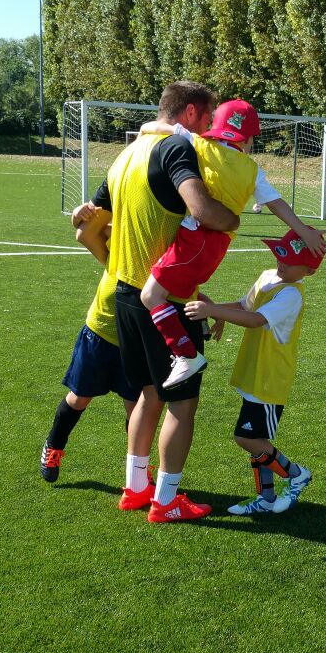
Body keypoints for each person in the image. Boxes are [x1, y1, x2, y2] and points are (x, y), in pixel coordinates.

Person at [87, 79, 240, 523]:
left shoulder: (126, 154)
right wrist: (231, 220)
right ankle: (167, 500)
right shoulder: (175, 147)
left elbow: (87, 224)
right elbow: (201, 209)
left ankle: (135, 488)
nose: (209, 127)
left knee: (148, 394)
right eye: (208, 116)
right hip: (163, 304)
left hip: (125, 295)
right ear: (190, 112)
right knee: (182, 404)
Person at [136, 99, 326, 390]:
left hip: (195, 239)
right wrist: (303, 230)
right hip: (217, 245)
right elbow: (276, 203)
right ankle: (199, 324)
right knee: (178, 290)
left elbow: (158, 127)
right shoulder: (252, 170)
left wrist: (144, 129)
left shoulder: (198, 144)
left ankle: (185, 354)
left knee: (151, 295)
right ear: (248, 139)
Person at [184, 230, 323, 516]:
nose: (282, 262)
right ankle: (266, 498)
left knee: (247, 438)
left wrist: (213, 310)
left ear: (309, 271)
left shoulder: (291, 295)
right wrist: (215, 311)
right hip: (254, 371)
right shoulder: (268, 276)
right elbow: (243, 306)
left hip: (270, 377)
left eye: (291, 261)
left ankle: (296, 474)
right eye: (280, 254)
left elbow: (255, 319)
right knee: (256, 439)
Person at [40, 204, 143, 482]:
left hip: (136, 342)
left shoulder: (161, 250)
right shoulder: (120, 240)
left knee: (136, 409)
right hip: (100, 332)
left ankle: (138, 474)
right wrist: (78, 214)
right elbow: (84, 231)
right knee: (79, 398)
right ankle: (54, 445)